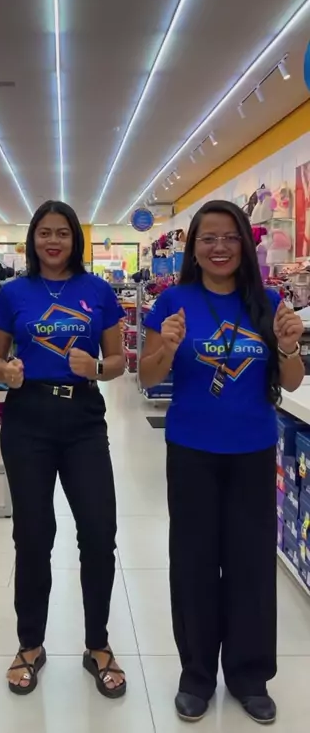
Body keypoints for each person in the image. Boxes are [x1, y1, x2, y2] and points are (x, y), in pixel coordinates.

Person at [139, 199, 304, 725]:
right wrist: (167, 348)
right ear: (193, 248)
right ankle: (196, 675)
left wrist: (288, 346)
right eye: (208, 238)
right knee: (193, 562)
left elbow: (292, 380)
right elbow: (146, 376)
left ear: (244, 246)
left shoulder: (268, 300)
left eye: (229, 237)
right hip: (192, 449)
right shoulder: (173, 302)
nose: (219, 247)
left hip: (252, 448)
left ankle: (249, 675)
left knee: (250, 564)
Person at [0, 200, 127, 698]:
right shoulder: (13, 293)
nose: (53, 241)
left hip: (84, 418)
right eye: (44, 232)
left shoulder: (97, 290)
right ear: (32, 239)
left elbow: (120, 359)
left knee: (99, 533)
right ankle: (30, 644)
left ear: (75, 239)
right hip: (28, 419)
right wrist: (5, 372)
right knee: (33, 536)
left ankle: (98, 644)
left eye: (62, 233)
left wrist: (99, 369)